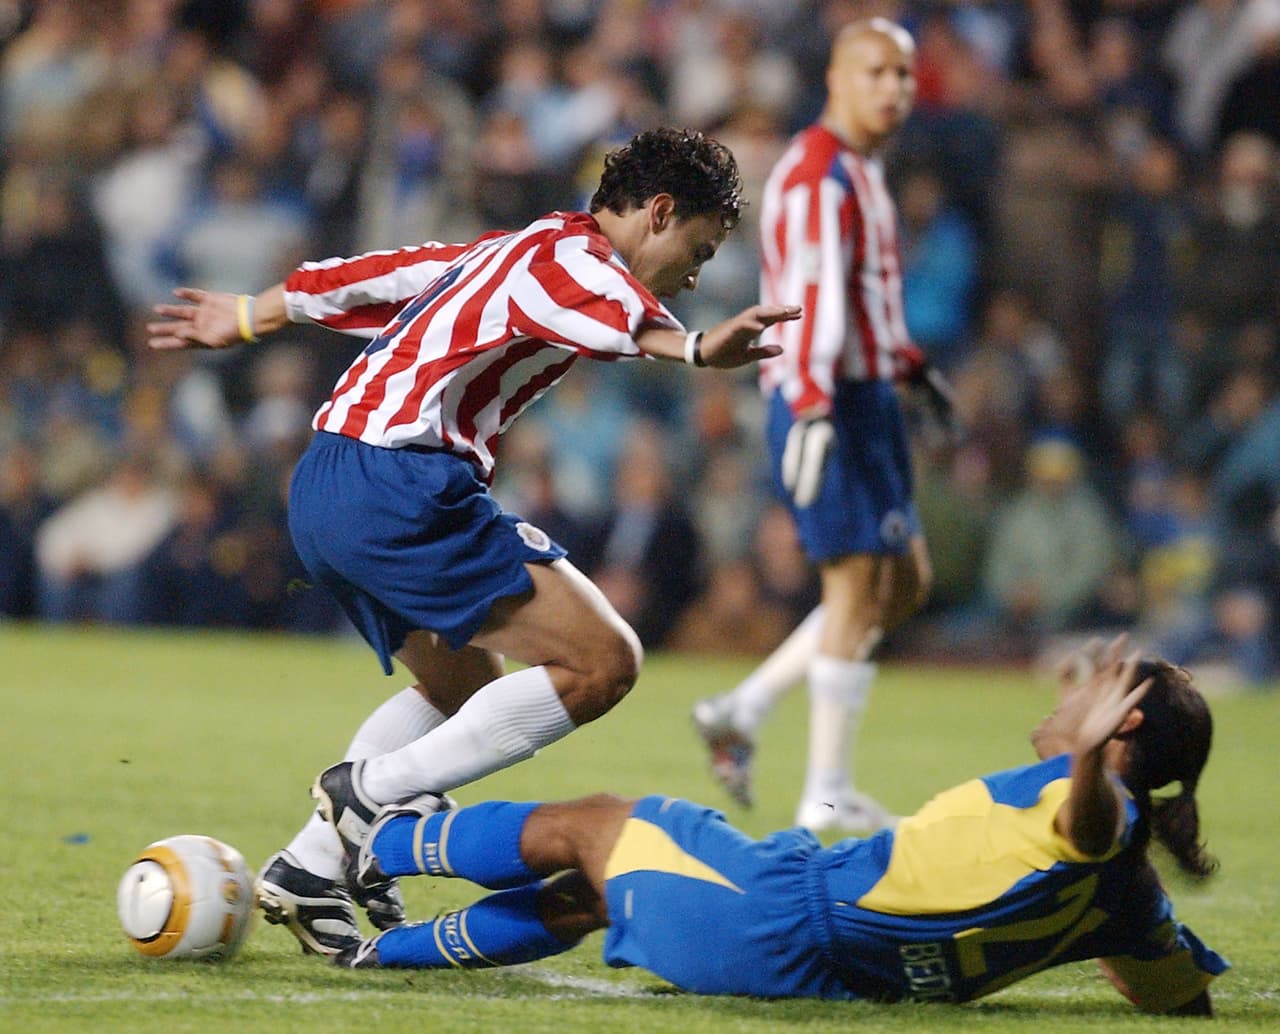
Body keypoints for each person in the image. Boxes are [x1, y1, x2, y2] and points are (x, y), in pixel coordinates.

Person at [146, 127, 800, 956]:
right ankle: (368, 798)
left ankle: (311, 871)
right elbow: (620, 312)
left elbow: (378, 275)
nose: (698, 273)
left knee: (460, 690)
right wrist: (699, 347)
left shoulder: (513, 249)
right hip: (399, 485)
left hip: (329, 484)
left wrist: (248, 313)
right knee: (605, 662)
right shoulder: (574, 264)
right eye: (698, 249)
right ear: (659, 210)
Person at [329, 639, 1228, 1018]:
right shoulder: (1131, 893)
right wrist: (1132, 949)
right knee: (586, 899)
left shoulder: (1087, 817)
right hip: (829, 969)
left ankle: (372, 833)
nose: (1069, 694)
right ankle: (384, 955)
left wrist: (1085, 762)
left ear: (1124, 728)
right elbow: (1178, 1000)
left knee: (598, 827)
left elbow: (1090, 825)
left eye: (1097, 687)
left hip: (781, 914)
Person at [693, 18, 942, 830]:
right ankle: (826, 795)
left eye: (903, 76)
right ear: (836, 79)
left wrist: (905, 362)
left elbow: (865, 292)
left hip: (868, 398)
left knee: (902, 585)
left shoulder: (865, 169)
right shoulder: (815, 176)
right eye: (876, 73)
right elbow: (807, 303)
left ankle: (743, 706)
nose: (893, 90)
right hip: (825, 401)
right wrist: (806, 403)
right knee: (854, 585)